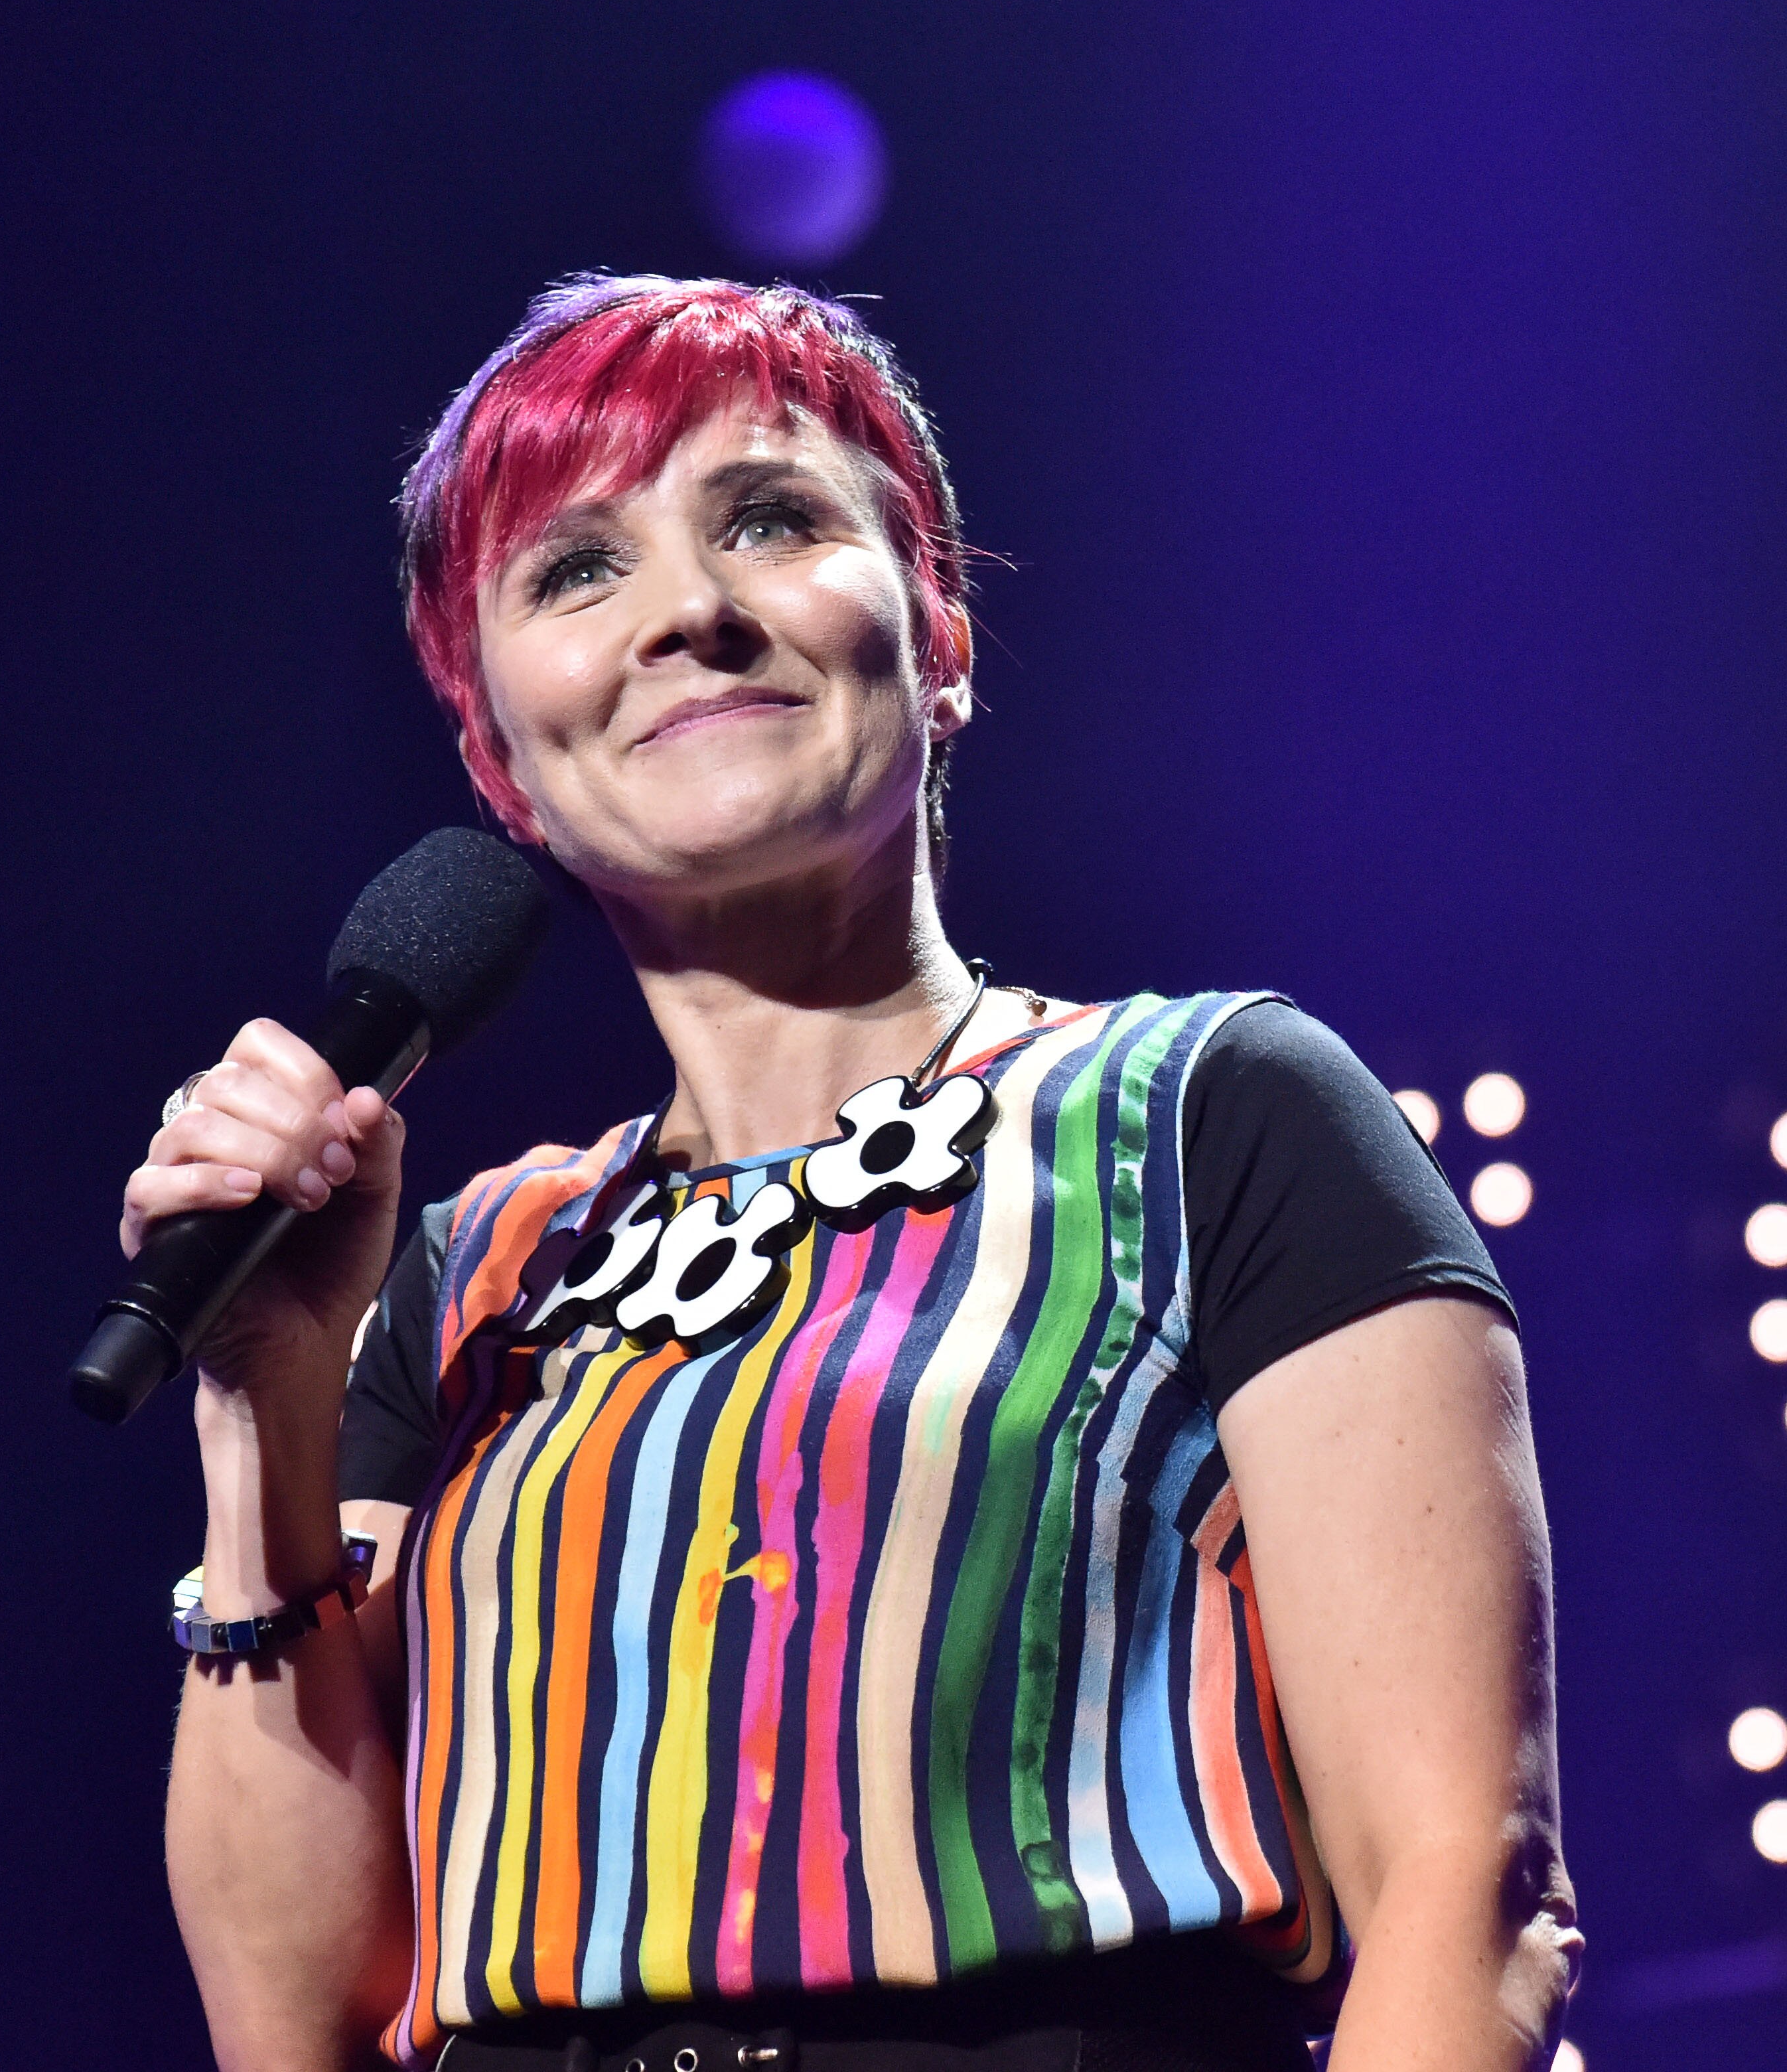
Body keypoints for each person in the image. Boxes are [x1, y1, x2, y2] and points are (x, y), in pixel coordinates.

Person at [128, 277, 1579, 2072]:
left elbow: (1468, 1889)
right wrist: (263, 1400)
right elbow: (294, 2022)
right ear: (499, 762)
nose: (688, 612)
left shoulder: (1211, 1117)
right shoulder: (465, 1274)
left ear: (940, 630)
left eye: (769, 518)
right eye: (577, 571)